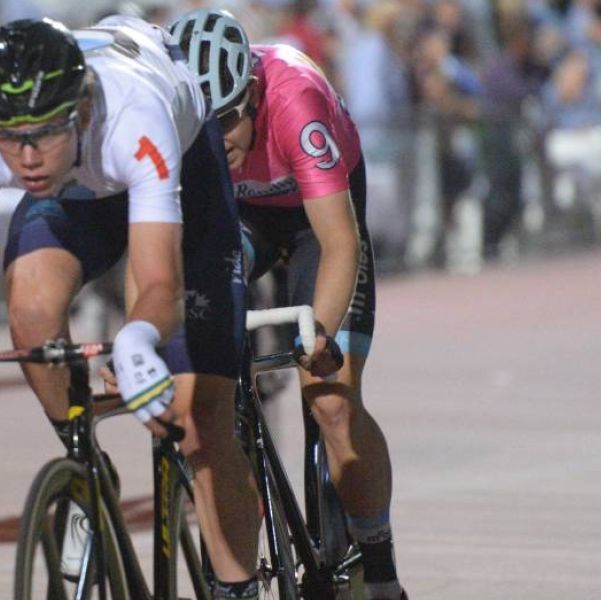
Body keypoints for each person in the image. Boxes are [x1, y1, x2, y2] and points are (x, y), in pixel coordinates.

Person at [0, 16, 261, 598]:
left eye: (43, 133)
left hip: (174, 155)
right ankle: (85, 466)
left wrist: (136, 339)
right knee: (30, 311)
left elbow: (158, 285)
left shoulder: (134, 118)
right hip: (78, 188)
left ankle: (237, 587)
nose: (25, 157)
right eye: (9, 137)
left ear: (78, 109)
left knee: (201, 424)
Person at [169, 9, 407, 600]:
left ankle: (379, 571)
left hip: (315, 216)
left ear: (251, 94)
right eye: (201, 124)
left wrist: (318, 334)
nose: (215, 139)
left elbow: (339, 241)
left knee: (330, 400)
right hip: (242, 221)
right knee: (206, 391)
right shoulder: (178, 122)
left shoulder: (295, 100)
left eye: (226, 120)